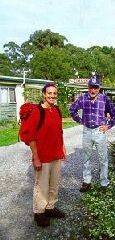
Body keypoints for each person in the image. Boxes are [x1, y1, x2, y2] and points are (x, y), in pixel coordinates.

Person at [69, 75, 115, 192]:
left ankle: (104, 183)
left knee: (103, 158)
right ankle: (87, 182)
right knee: (86, 158)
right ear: (88, 87)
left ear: (99, 88)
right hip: (87, 131)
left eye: (95, 87)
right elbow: (72, 109)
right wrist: (80, 120)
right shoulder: (82, 98)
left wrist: (108, 126)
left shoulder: (105, 99)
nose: (93, 90)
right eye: (91, 87)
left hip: (99, 131)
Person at [27, 82, 66, 227]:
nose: (52, 96)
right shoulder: (38, 112)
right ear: (44, 94)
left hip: (56, 154)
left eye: (54, 93)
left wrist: (63, 147)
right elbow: (31, 136)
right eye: (49, 93)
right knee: (41, 185)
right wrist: (36, 157)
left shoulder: (57, 110)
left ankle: (50, 207)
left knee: (54, 184)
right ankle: (39, 212)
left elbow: (59, 131)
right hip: (42, 156)